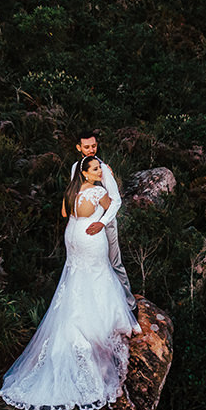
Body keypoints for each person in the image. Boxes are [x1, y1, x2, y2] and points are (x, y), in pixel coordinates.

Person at [0, 156, 141, 410]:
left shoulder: (71, 190)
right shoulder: (98, 192)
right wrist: (102, 220)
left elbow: (65, 213)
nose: (100, 172)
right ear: (86, 173)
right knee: (98, 276)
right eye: (96, 168)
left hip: (72, 237)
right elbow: (112, 208)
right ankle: (96, 324)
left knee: (75, 279)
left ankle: (78, 320)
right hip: (90, 238)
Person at [72, 131, 135, 310]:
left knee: (114, 263)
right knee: (89, 267)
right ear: (79, 148)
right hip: (84, 227)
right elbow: (74, 196)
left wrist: (103, 222)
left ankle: (130, 305)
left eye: (94, 146)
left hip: (105, 224)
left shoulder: (103, 168)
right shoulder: (75, 168)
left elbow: (116, 200)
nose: (91, 149)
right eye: (86, 147)